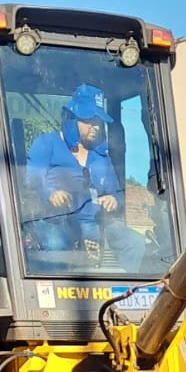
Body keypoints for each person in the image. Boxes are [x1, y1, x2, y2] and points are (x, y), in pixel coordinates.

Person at [26, 84, 144, 271]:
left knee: (135, 243)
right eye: (89, 120)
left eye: (98, 122)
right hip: (55, 221)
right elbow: (32, 179)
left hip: (95, 222)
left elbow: (118, 193)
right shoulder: (46, 143)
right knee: (57, 247)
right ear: (72, 119)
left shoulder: (100, 154)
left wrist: (114, 199)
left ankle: (125, 294)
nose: (96, 127)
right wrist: (50, 193)